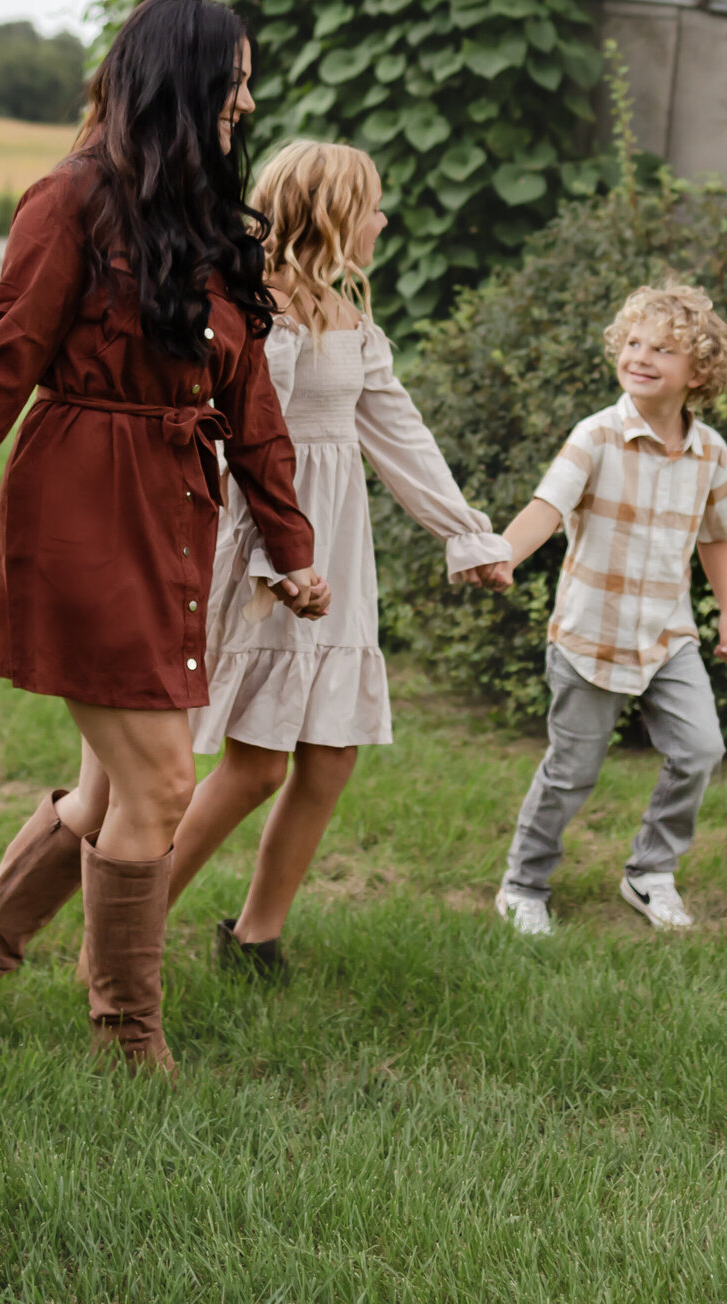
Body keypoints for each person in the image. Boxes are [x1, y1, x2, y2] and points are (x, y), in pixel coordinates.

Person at [0, 0, 327, 1074]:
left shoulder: (212, 225)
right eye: (234, 78)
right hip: (81, 504)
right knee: (165, 784)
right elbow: (6, 358)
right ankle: (129, 1036)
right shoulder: (71, 200)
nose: (248, 100)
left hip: (174, 507)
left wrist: (291, 541)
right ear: (182, 82)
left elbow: (251, 404)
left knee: (108, 790)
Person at [164, 141, 510, 974]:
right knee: (254, 763)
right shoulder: (253, 311)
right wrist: (269, 557)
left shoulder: (355, 325)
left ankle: (255, 938)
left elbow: (402, 439)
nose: (384, 222)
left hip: (339, 548)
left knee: (331, 754)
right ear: (331, 216)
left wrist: (466, 533)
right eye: (374, 208)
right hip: (269, 549)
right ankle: (124, 931)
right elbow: (224, 442)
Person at [496, 282, 727, 937]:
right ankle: (523, 884)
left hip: (668, 634)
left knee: (701, 750)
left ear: (699, 371)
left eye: (664, 348)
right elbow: (548, 506)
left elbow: (717, 537)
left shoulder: (711, 451)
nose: (642, 355)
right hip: (590, 636)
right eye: (633, 342)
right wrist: (502, 555)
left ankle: (650, 872)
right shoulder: (595, 436)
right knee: (572, 772)